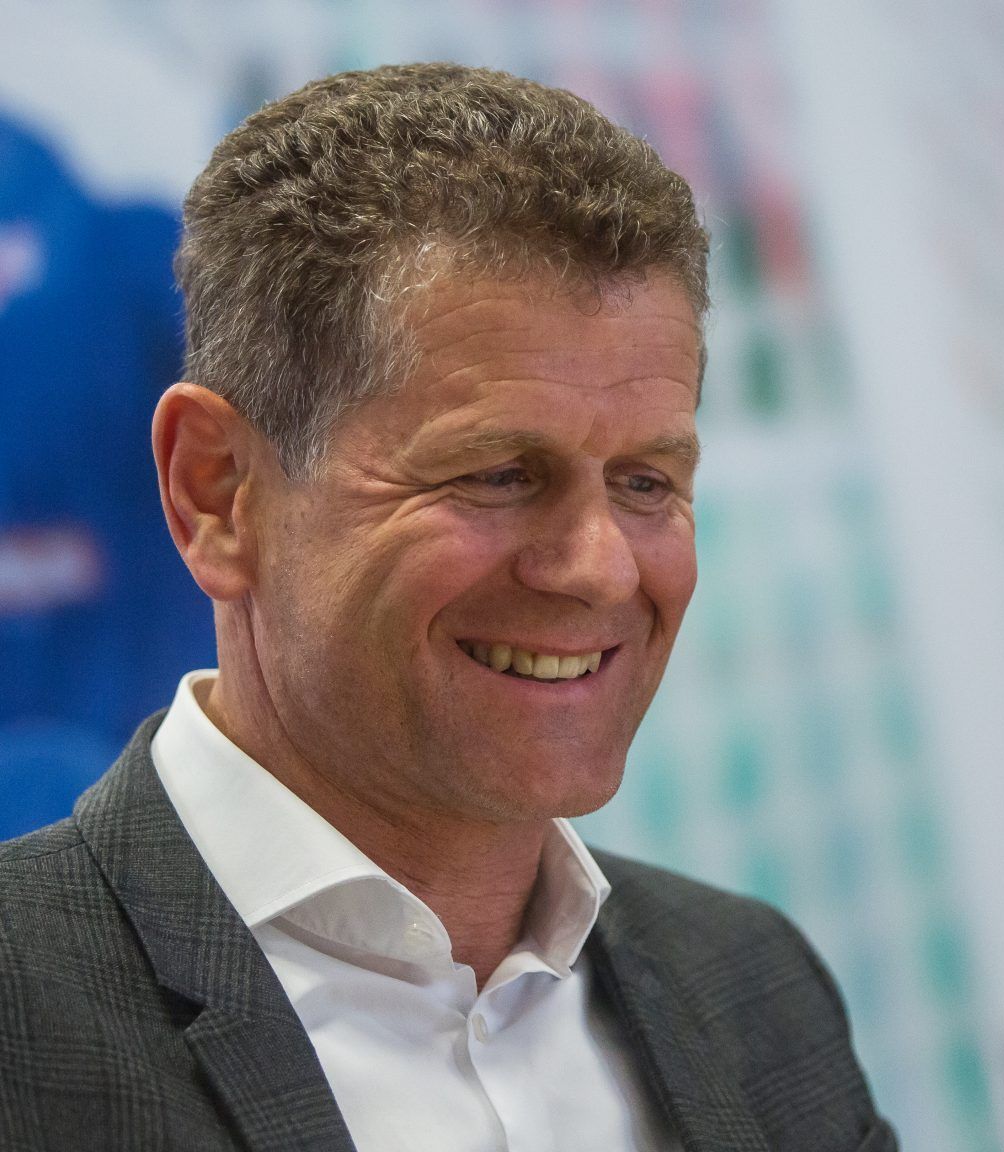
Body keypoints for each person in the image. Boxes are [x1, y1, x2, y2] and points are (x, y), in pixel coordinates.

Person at [0, 62, 895, 1152]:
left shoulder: (758, 995)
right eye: (498, 475)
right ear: (219, 491)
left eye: (646, 482)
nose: (601, 569)